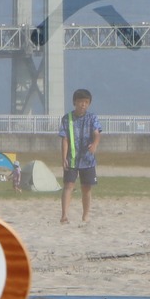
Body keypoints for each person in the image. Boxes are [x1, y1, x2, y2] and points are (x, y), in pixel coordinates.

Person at [60, 88, 100, 225]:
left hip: (87, 158)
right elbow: (64, 138)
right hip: (71, 158)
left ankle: (86, 216)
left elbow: (97, 133)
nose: (83, 104)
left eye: (86, 102)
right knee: (68, 185)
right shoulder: (67, 118)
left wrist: (94, 144)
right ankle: (64, 216)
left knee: (86, 187)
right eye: (80, 101)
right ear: (74, 102)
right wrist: (63, 157)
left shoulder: (92, 117)